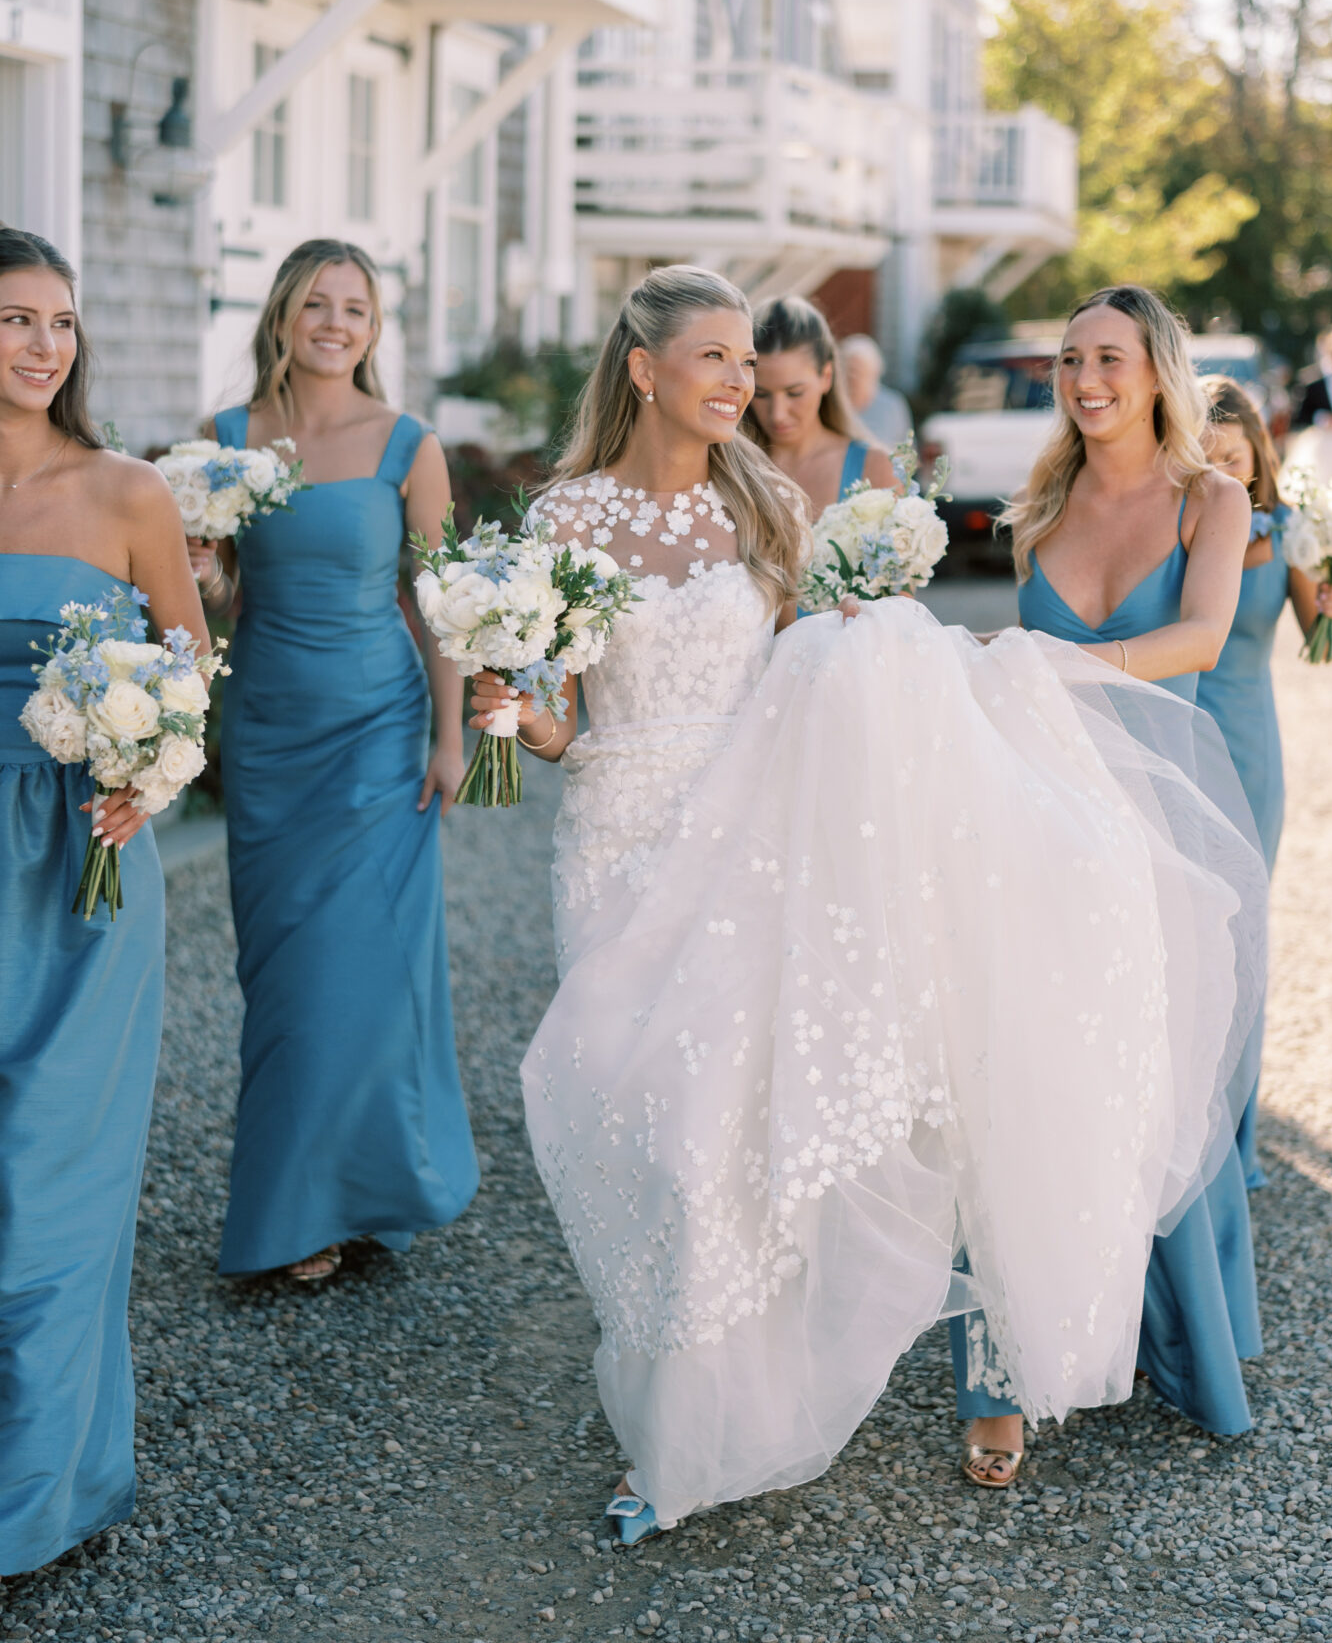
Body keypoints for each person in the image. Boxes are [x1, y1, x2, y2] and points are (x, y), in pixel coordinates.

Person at [467, 266, 1265, 1541]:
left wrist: (895, 662)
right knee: (638, 1110)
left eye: (749, 362)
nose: (741, 382)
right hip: (616, 831)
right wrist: (510, 705)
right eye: (716, 359)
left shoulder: (767, 504)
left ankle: (690, 1433)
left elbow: (806, 661)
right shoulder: (563, 520)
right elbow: (559, 719)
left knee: (714, 1136)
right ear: (643, 369)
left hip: (747, 833)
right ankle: (690, 1381)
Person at [951, 285, 1260, 1466]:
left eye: (1110, 359)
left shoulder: (1210, 498)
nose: (1085, 380)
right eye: (1071, 360)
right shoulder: (1039, 503)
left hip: (1148, 839)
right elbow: (1006, 660)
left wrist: (1061, 667)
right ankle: (1000, 1378)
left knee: (1145, 1093)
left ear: (1158, 371)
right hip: (1030, 824)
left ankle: (1170, 1342)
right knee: (1012, 1087)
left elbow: (1198, 641)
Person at [191, 239, 477, 1284]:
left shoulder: (409, 443)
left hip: (379, 733)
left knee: (362, 973)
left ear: (374, 329)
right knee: (284, 978)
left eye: (356, 308)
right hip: (268, 734)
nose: (336, 322)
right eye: (318, 302)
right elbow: (212, 594)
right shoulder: (223, 440)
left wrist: (449, 738)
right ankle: (300, 1202)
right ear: (282, 314)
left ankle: (359, 1196)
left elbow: (441, 599)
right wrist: (201, 567)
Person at [0, 228, 209, 1573]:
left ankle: (37, 1490)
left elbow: (188, 671)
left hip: (85, 859)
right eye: (16, 319)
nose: (43, 344)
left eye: (59, 322)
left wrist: (158, 775)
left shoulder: (129, 491)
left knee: (56, 1175)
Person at [1200, 375, 1332, 1186]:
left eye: (1235, 456)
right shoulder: (1181, 519)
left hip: (1252, 750)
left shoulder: (1293, 530)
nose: (1223, 470)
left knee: (1242, 940)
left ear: (1260, 455)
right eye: (1207, 456)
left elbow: (1321, 647)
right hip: (1181, 742)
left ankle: (1234, 1140)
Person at [746, 297, 895, 515]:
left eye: (794, 393)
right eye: (760, 394)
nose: (777, 414)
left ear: (826, 377)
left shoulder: (875, 468)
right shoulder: (729, 469)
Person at [838, 332, 914, 450]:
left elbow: (907, 454)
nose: (852, 378)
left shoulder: (893, 405)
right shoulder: (832, 403)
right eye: (847, 371)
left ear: (875, 374)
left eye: (857, 372)